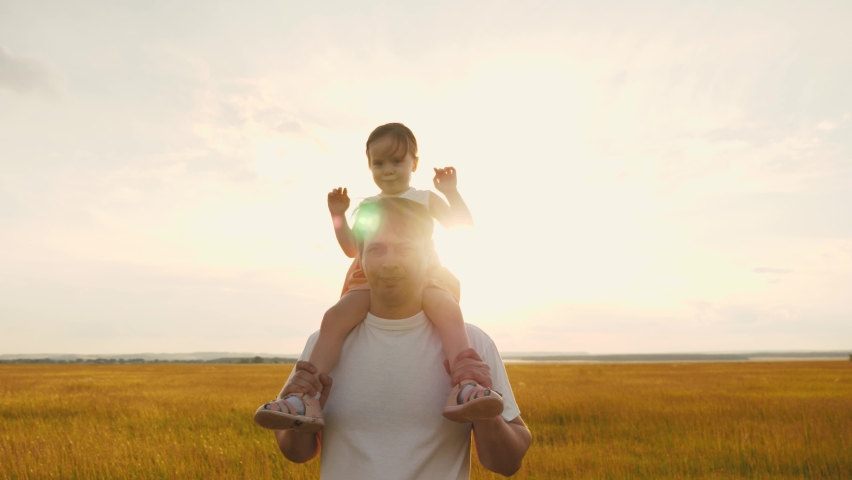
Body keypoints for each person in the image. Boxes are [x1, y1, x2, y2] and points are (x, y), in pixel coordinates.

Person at [255, 123, 502, 432]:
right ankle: (304, 396)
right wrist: (338, 215)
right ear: (369, 165)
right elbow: (351, 250)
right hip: (369, 278)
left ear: (414, 163)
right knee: (335, 317)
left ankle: (466, 384)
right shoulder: (368, 207)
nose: (387, 170)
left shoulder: (426, 199)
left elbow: (462, 226)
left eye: (397, 161)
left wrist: (451, 192)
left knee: (448, 310)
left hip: (425, 272)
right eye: (378, 163)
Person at [268, 197, 531, 478]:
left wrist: (487, 413)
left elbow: (507, 464)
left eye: (404, 248)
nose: (390, 262)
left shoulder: (472, 344)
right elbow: (296, 453)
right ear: (362, 256)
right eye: (377, 249)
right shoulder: (324, 344)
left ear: (428, 254)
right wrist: (299, 419)